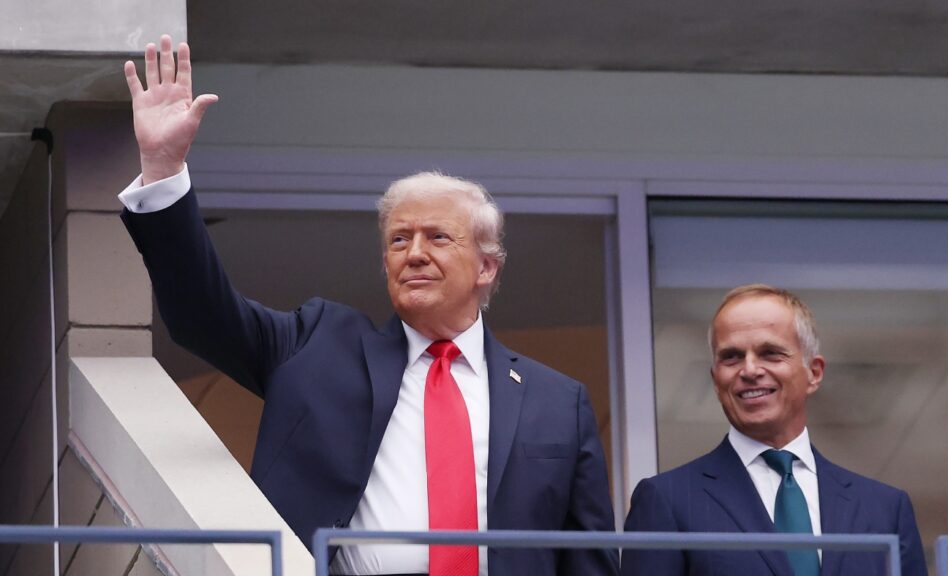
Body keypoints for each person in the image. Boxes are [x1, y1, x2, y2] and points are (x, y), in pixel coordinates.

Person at [119, 35, 618, 576]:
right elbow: (202, 316)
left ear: (487, 267)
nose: (415, 254)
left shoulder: (557, 402)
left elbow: (588, 560)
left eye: (439, 238)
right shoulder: (317, 345)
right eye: (399, 241)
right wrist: (164, 172)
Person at [622, 284, 927, 576]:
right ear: (716, 380)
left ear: (814, 373)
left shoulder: (884, 509)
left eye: (770, 353)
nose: (750, 370)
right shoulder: (667, 500)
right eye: (732, 356)